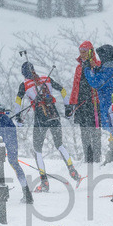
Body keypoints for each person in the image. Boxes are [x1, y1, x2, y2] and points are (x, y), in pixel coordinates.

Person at [17, 60, 80, 192]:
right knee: (59, 144)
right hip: (54, 113)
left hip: (41, 116)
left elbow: (18, 101)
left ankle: (44, 182)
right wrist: (68, 107)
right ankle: (72, 170)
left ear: (24, 74)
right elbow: (62, 90)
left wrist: (18, 117)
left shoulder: (24, 85)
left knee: (37, 150)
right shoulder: (47, 78)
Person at [84, 43, 113, 164]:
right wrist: (96, 69)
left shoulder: (109, 69)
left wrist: (87, 69)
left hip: (110, 104)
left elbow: (96, 82)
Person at [69, 41, 103, 164]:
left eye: (84, 52)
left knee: (95, 131)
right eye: (80, 52)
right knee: (84, 132)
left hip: (93, 103)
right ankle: (88, 159)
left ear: (90, 52)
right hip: (81, 104)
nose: (82, 54)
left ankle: (97, 158)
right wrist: (72, 103)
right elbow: (75, 86)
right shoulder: (79, 67)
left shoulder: (97, 65)